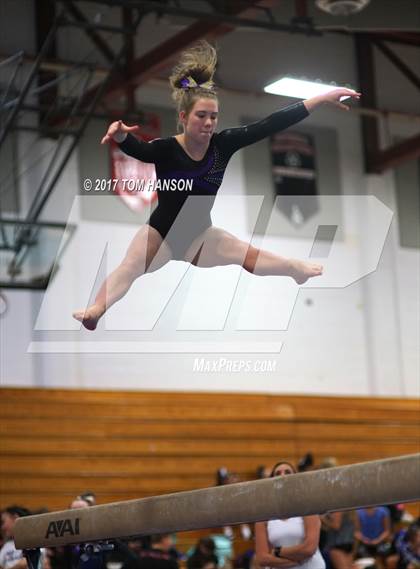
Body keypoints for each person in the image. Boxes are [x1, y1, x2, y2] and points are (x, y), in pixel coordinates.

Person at [73, 41, 360, 330]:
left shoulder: (223, 145)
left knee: (247, 255)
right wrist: (121, 137)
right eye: (201, 116)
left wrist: (320, 98)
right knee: (130, 266)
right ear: (184, 118)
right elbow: (139, 151)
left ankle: (293, 269)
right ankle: (96, 310)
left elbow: (271, 124)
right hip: (160, 234)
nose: (209, 122)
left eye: (213, 116)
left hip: (199, 236)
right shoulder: (167, 148)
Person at [254, 461, 326, 569]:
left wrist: (278, 551)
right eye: (278, 473)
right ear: (271, 481)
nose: (282, 475)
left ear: (296, 480)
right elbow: (262, 558)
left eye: (287, 472)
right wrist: (295, 562)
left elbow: (309, 548)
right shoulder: (264, 516)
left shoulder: (307, 508)